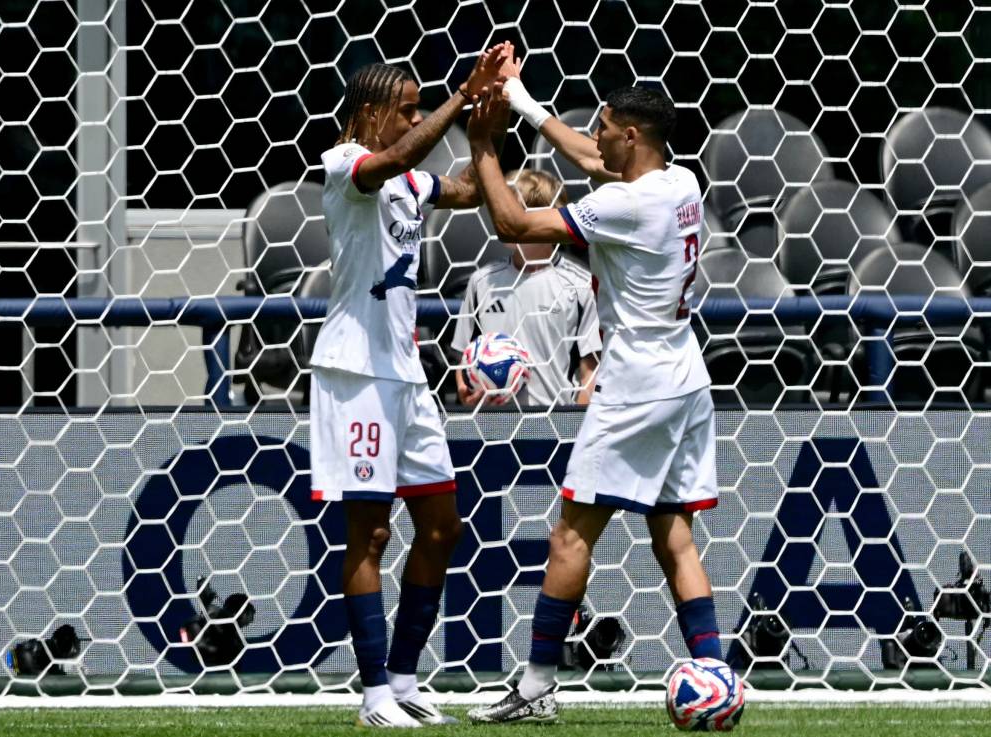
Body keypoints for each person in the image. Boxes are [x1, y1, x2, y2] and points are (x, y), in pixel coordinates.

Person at [465, 51, 723, 724]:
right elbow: (590, 158)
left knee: (569, 537)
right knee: (675, 536)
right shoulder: (680, 182)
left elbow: (516, 227)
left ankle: (537, 684)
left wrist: (483, 146)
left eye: (605, 126)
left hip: (634, 385)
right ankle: (716, 672)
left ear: (630, 135)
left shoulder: (625, 205)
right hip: (685, 377)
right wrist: (521, 99)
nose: (597, 134)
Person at [310, 47, 510, 728]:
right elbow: (391, 162)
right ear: (369, 114)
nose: (418, 117)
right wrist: (460, 96)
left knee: (443, 526)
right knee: (369, 537)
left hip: (407, 375)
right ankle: (371, 696)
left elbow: (470, 191)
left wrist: (487, 127)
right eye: (407, 109)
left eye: (422, 106)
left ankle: (403, 678)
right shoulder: (345, 167)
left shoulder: (410, 183)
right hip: (356, 372)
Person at [451, 169, 601, 408]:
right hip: (493, 420)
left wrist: (577, 422)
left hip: (554, 421)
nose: (503, 217)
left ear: (542, 219)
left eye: (513, 210)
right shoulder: (482, 281)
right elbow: (463, 355)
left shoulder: (579, 285)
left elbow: (590, 369)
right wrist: (463, 390)